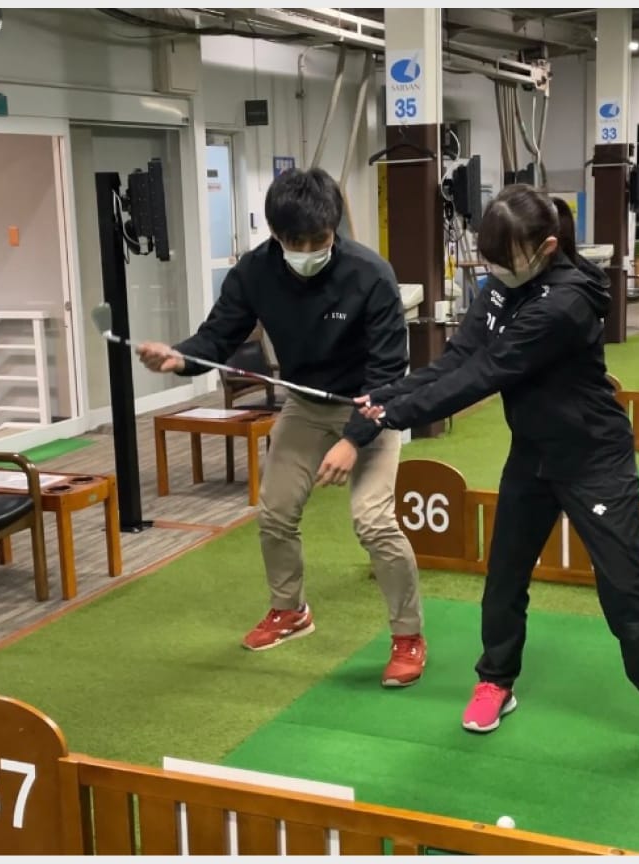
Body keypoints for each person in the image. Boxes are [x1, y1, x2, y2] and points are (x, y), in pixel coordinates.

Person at [356, 185, 639, 765]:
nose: (493, 271)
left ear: (547, 248)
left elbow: (489, 371)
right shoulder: (499, 287)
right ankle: (496, 679)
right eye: (488, 258)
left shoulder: (567, 302)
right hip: (532, 454)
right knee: (504, 575)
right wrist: (389, 395)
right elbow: (458, 359)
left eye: (504, 258)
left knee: (624, 587)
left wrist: (398, 414)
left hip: (593, 458)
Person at [134, 167, 426, 687]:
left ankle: (408, 636)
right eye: (295, 241)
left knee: (373, 522)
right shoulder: (254, 272)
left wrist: (352, 441)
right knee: (274, 512)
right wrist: (179, 358)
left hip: (369, 408)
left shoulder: (371, 275)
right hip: (305, 407)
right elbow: (217, 337)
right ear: (275, 234)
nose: (307, 250)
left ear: (335, 229)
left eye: (319, 239)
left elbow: (388, 375)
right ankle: (290, 611)